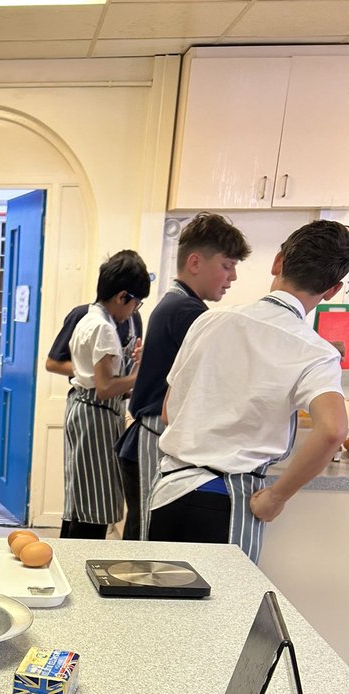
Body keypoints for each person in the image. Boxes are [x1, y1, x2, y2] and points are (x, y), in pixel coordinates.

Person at [147, 220, 349, 563]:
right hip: (228, 501)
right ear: (332, 290)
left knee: (158, 608)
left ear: (278, 261)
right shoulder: (314, 351)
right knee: (221, 616)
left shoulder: (210, 321)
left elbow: (169, 412)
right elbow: (333, 430)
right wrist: (277, 497)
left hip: (168, 492)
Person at [119, 213, 250, 538]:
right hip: (154, 435)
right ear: (195, 262)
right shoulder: (188, 312)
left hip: (147, 436)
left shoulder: (176, 304)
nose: (232, 276)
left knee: (141, 540)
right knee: (147, 547)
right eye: (227, 265)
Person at [60, 250, 151, 539]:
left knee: (80, 500)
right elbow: (106, 386)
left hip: (84, 408)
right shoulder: (103, 329)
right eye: (136, 303)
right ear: (122, 295)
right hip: (95, 414)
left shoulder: (89, 318)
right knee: (93, 505)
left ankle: (70, 561)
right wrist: (142, 373)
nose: (135, 310)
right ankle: (81, 565)